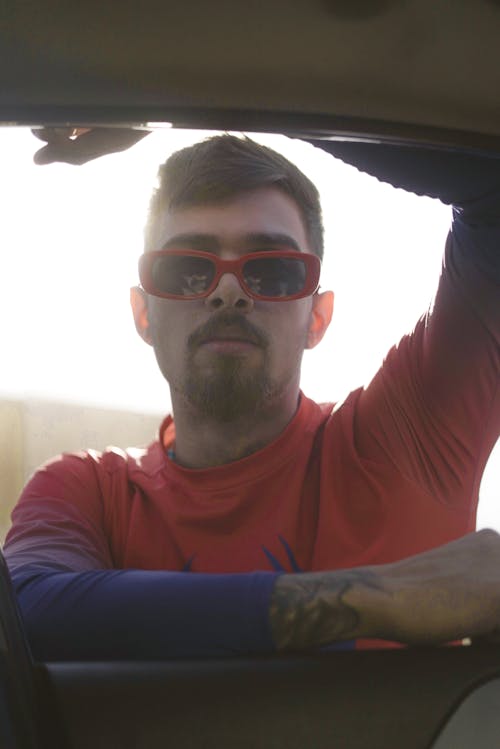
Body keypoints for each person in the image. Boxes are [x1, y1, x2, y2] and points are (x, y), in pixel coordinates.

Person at [3, 132, 499, 661]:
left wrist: (227, 85)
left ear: (318, 317)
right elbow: (23, 611)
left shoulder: (406, 438)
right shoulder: (89, 492)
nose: (228, 290)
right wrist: (381, 596)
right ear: (143, 314)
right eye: (187, 269)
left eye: (273, 271)